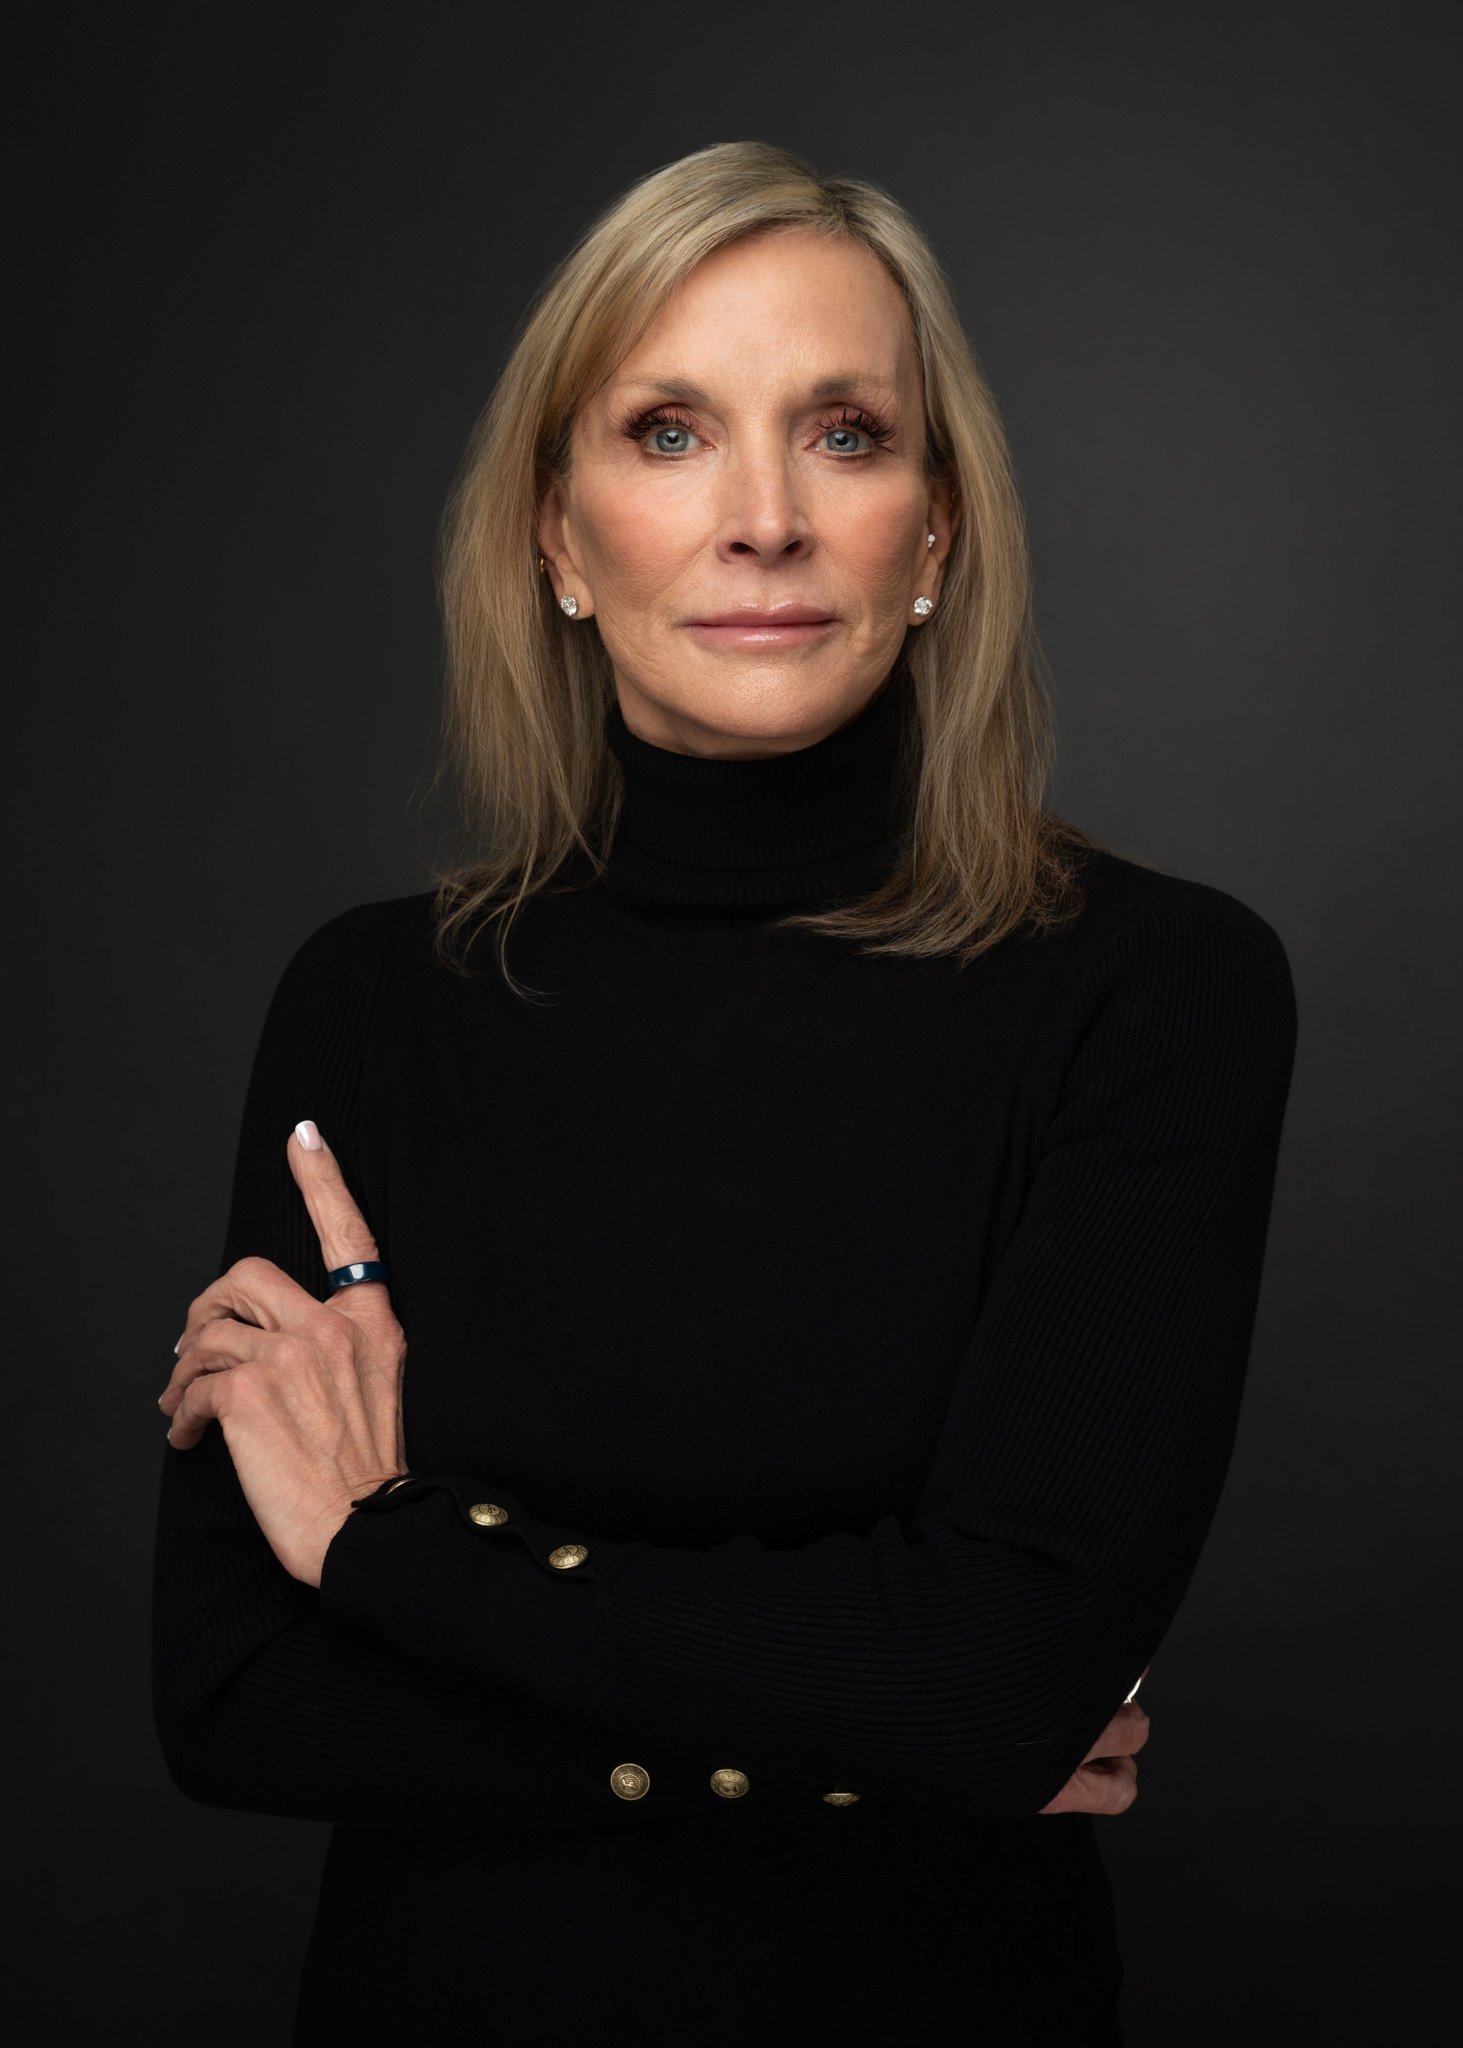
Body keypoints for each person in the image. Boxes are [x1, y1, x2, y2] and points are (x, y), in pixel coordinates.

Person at [151, 140, 1297, 2044]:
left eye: (845, 434)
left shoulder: (1151, 987)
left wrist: (390, 1548)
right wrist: (876, 1736)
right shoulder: (374, 1004)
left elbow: (999, 1673)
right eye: (670, 432)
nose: (765, 519)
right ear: (557, 537)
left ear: (936, 536)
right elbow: (236, 1703)